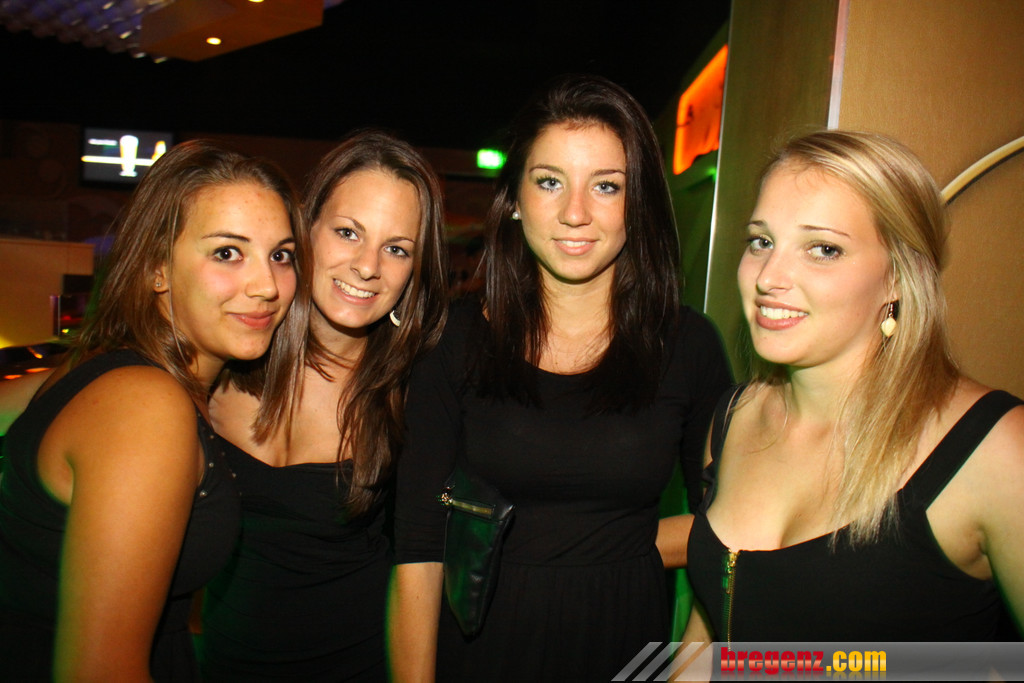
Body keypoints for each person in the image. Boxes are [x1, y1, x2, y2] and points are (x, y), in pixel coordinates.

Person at [388, 74, 732, 682]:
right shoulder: (453, 340)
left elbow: (729, 527)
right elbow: (419, 547)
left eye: (606, 186)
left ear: (639, 203)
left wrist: (619, 553)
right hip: (481, 655)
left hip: (627, 650)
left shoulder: (688, 345)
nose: (576, 213)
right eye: (550, 182)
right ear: (515, 199)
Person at [685, 130, 1024, 643]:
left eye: (823, 249)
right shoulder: (734, 418)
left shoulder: (994, 449)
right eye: (761, 242)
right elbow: (710, 630)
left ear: (898, 277)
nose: (768, 277)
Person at [0, 140, 303, 681]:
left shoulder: (93, 368)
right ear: (156, 269)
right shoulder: (146, 404)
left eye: (280, 255)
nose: (267, 287)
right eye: (227, 253)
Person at [197, 130, 448, 681]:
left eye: (397, 249)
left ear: (415, 270)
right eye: (348, 232)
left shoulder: (414, 390)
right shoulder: (224, 356)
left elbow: (423, 566)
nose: (367, 266)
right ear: (304, 230)